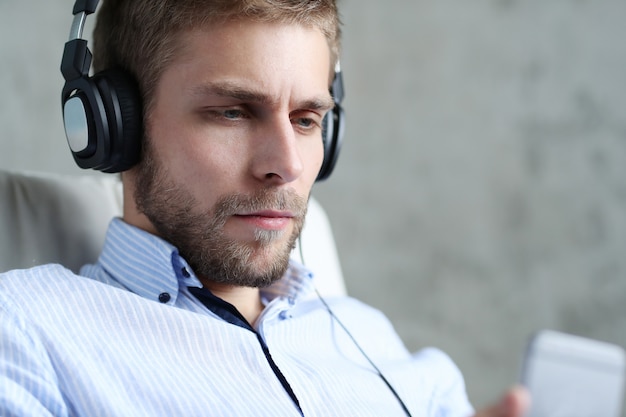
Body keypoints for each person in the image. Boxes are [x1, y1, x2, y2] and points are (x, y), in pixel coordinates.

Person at [0, 0, 529, 415]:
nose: (288, 165)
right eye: (232, 112)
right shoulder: (25, 333)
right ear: (116, 126)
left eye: (306, 120)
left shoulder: (370, 338)